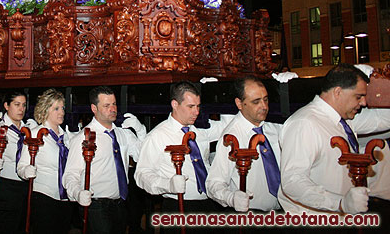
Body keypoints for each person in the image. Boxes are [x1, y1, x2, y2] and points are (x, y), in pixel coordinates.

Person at [279, 63, 390, 214]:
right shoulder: (304, 123)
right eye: (359, 96)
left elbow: (381, 120)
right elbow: (293, 182)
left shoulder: (343, 121)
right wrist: (339, 203)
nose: (363, 103)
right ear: (338, 92)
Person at [135, 81, 229, 222]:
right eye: (190, 106)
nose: (196, 112)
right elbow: (142, 174)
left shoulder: (199, 130)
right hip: (179, 206)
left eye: (198, 106)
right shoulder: (158, 136)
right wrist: (167, 184)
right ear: (175, 104)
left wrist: (216, 90)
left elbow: (228, 127)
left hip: (210, 204)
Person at [62, 86, 143, 234]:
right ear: (94, 108)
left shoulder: (123, 134)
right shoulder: (84, 137)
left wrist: (140, 130)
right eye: (106, 105)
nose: (112, 109)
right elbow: (70, 174)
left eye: (114, 104)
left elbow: (142, 156)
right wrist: (78, 193)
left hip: (120, 203)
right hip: (96, 205)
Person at [206, 77, 282, 212]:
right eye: (256, 102)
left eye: (265, 99)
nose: (264, 106)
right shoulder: (231, 138)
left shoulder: (275, 129)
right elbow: (214, 183)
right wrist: (231, 198)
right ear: (239, 103)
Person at [17, 89, 72, 234]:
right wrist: (26, 171)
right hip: (44, 196)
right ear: (45, 109)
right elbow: (21, 166)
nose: (61, 112)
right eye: (56, 108)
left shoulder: (66, 137)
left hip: (65, 197)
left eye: (62, 108)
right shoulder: (35, 134)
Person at [0, 91, 29, 234]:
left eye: (24, 105)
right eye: (17, 104)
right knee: (6, 226)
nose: (21, 109)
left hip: (25, 186)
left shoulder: (27, 129)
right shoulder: (0, 130)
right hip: (6, 186)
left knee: (21, 225)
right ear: (6, 106)